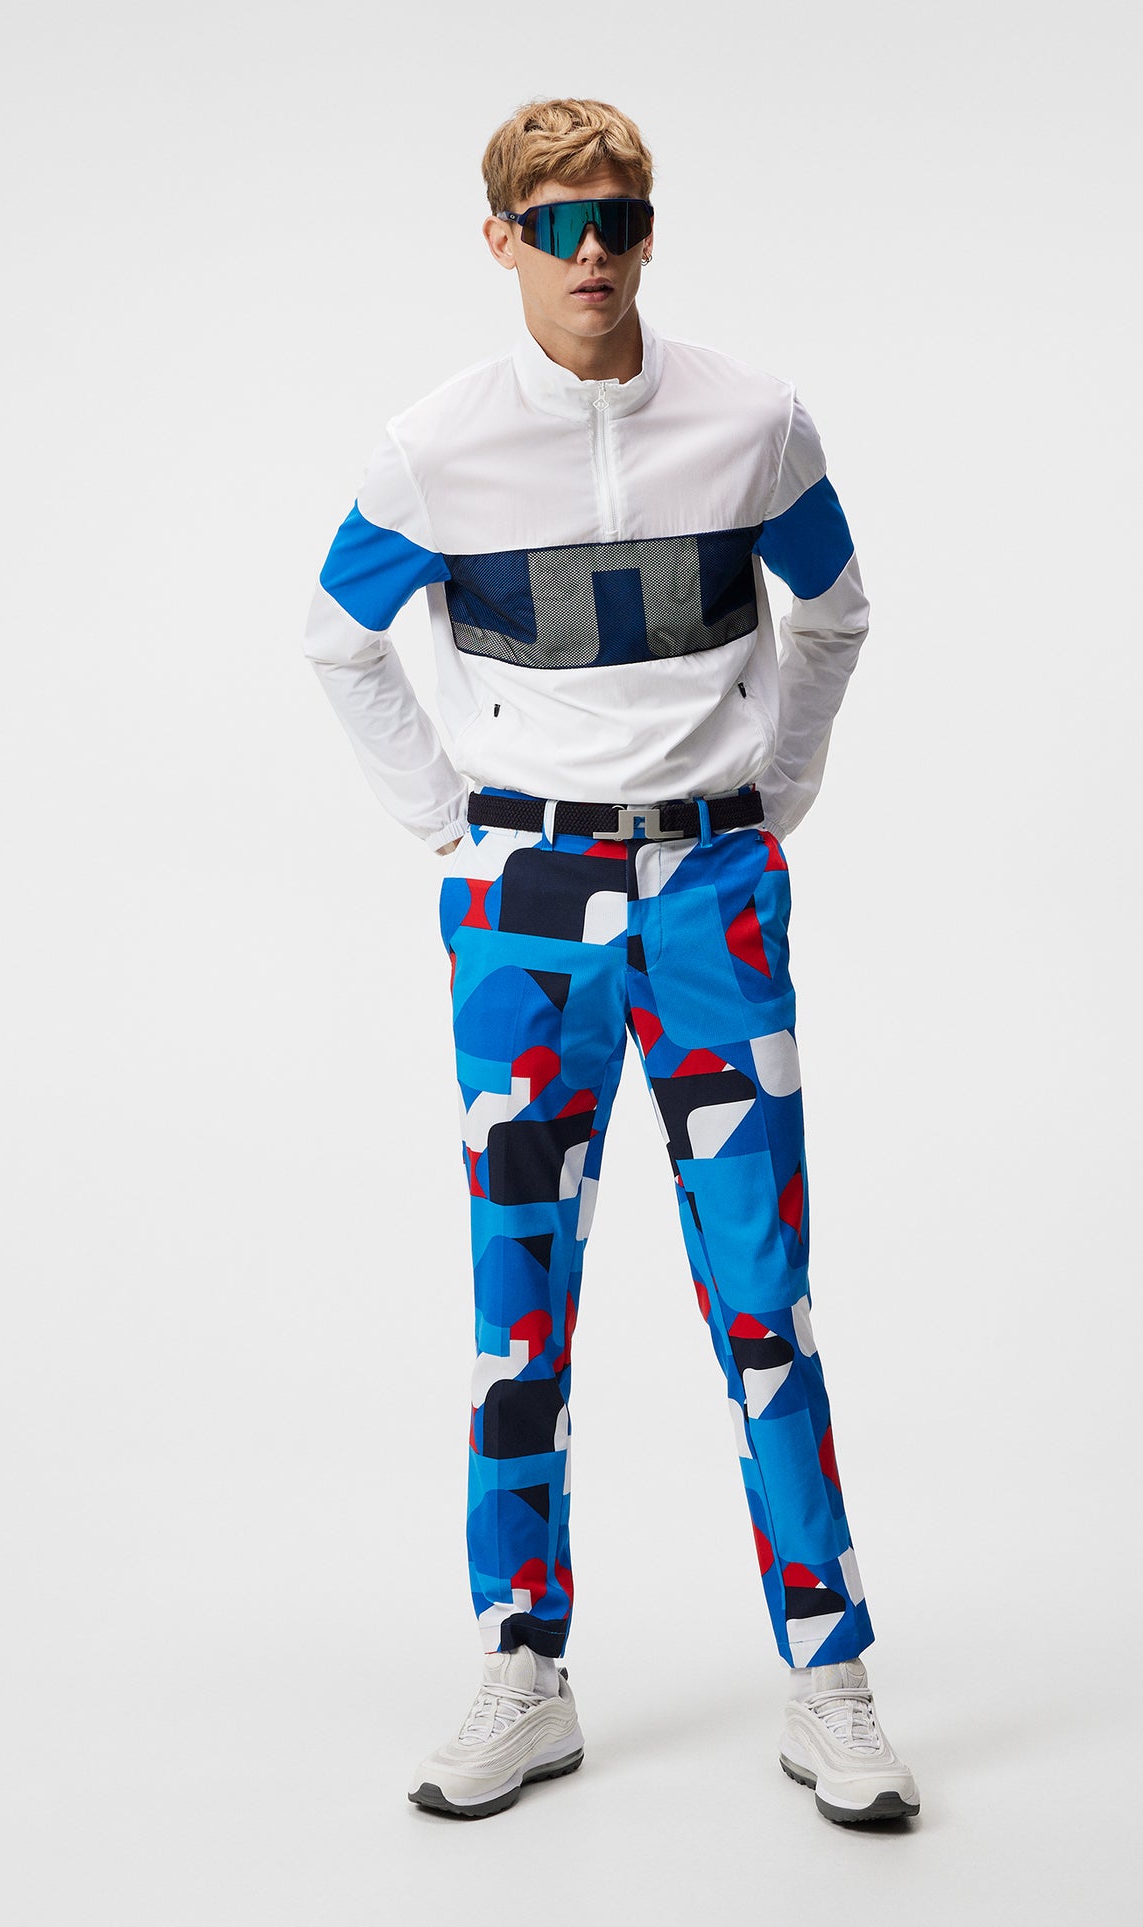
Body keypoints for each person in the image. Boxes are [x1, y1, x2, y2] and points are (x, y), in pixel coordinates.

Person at [301, 96, 920, 1826]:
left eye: (619, 220)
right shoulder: (433, 452)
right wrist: (454, 827)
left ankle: (830, 1676)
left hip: (709, 890)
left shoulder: (751, 422)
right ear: (499, 240)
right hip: (525, 903)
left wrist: (772, 795)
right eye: (558, 224)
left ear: (651, 231)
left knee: (762, 1291)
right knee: (521, 1297)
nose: (592, 255)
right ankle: (523, 1664)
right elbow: (337, 640)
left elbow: (836, 610)